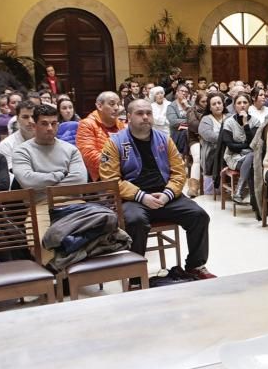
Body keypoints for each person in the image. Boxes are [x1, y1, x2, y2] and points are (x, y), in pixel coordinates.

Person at [100, 99, 215, 281]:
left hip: (165, 195)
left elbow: (179, 171)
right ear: (128, 117)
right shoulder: (115, 143)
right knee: (136, 221)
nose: (145, 117)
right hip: (133, 199)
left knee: (199, 215)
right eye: (139, 113)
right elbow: (111, 179)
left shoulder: (164, 139)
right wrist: (141, 196)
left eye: (149, 113)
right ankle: (135, 274)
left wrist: (168, 193)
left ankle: (195, 265)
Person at [11, 104, 87, 254]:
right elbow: (28, 181)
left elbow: (79, 180)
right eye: (44, 124)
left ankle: (83, 276)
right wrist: (59, 175)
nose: (50, 128)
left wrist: (43, 182)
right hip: (40, 206)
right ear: (34, 125)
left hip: (73, 202)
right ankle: (60, 276)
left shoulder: (70, 149)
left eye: (53, 123)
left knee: (95, 237)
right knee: (43, 244)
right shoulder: (22, 151)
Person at [220, 91, 259, 203]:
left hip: (250, 157)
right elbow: (231, 146)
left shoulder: (255, 122)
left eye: (245, 102)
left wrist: (246, 124)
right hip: (233, 157)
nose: (242, 105)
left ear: (249, 104)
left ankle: (239, 191)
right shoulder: (229, 122)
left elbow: (254, 144)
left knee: (251, 157)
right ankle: (254, 199)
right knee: (252, 160)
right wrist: (246, 146)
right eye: (239, 103)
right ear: (234, 105)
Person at [76, 91, 124, 181]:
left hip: (124, 171)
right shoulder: (86, 124)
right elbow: (89, 155)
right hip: (101, 175)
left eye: (118, 104)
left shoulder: (121, 124)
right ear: (99, 106)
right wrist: (119, 164)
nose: (117, 108)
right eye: (112, 104)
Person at [197, 92, 227, 194]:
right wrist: (227, 138)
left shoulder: (230, 117)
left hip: (229, 151)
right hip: (212, 152)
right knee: (215, 154)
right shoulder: (206, 119)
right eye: (214, 104)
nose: (217, 106)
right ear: (210, 108)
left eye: (219, 103)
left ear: (223, 104)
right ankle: (213, 191)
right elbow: (209, 135)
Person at [0, 100, 36, 179]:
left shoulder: (46, 139)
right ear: (17, 118)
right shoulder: (7, 144)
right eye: (25, 117)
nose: (31, 121)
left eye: (33, 117)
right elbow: (11, 174)